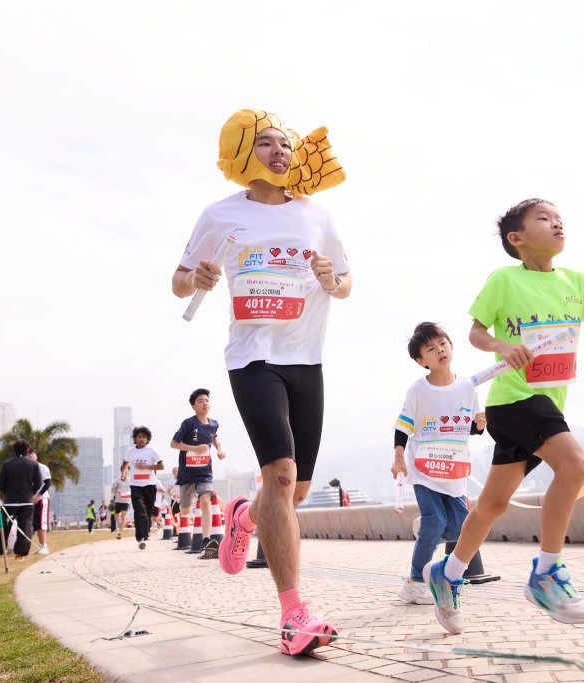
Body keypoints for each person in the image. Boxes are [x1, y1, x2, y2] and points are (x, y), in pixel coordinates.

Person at [172, 108, 350, 656]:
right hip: (252, 358)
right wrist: (195, 277)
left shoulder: (316, 215)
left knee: (290, 495)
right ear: (243, 152)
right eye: (267, 143)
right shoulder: (220, 214)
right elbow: (179, 282)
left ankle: (243, 516)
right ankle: (294, 614)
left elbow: (345, 282)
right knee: (280, 476)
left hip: (307, 359)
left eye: (286, 145)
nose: (280, 151)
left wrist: (332, 280)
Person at [425, 197, 584, 633]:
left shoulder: (577, 282)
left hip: (547, 404)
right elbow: (475, 331)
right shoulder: (505, 279)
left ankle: (447, 574)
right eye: (544, 219)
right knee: (577, 463)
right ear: (517, 238)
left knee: (492, 504)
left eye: (559, 218)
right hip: (514, 400)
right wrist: (502, 346)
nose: (557, 223)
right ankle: (547, 572)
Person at [391, 322, 486, 605]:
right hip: (424, 469)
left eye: (443, 344)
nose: (440, 350)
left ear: (451, 346)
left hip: (454, 468)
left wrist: (479, 426)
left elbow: (465, 428)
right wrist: (398, 457)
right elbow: (403, 426)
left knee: (460, 528)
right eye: (431, 349)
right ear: (422, 361)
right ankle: (415, 582)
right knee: (436, 523)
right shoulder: (419, 390)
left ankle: (427, 527)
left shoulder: (468, 386)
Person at [169, 388, 225, 556]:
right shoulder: (188, 423)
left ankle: (206, 540)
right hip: (187, 472)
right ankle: (180, 505)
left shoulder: (214, 423)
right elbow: (173, 443)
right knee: (185, 511)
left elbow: (214, 437)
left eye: (206, 400)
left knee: (206, 500)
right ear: (193, 406)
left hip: (204, 471)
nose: (204, 403)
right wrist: (194, 448)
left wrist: (220, 449)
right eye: (200, 401)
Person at [0, 439, 42, 563]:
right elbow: (39, 483)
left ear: (14, 450)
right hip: (27, 502)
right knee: (25, 528)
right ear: (28, 450)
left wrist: (8, 493)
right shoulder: (34, 464)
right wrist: (30, 492)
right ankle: (20, 555)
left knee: (4, 527)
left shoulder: (7, 464)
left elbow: (0, 483)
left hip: (10, 502)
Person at [121, 426, 163, 549]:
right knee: (139, 510)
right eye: (139, 436)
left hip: (150, 485)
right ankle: (141, 538)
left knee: (148, 512)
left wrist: (147, 467)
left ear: (147, 439)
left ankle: (146, 532)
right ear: (135, 438)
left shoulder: (152, 450)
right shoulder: (130, 451)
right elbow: (125, 462)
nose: (141, 439)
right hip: (135, 486)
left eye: (144, 437)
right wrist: (123, 473)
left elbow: (161, 466)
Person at [27, 449, 52, 554]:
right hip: (32, 500)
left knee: (42, 522)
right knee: (36, 523)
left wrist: (38, 495)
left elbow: (48, 483)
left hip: (42, 498)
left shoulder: (41, 467)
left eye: (32, 453)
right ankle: (41, 546)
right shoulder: (27, 469)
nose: (30, 455)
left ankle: (44, 547)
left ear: (36, 455)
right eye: (28, 454)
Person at [110, 470, 130, 539]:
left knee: (124, 514)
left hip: (126, 501)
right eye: (123, 472)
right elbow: (112, 490)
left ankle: (120, 533)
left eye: (126, 472)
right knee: (116, 517)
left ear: (128, 472)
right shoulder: (117, 481)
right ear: (121, 472)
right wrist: (116, 491)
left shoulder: (130, 480)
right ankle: (119, 515)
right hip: (118, 500)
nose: (124, 474)